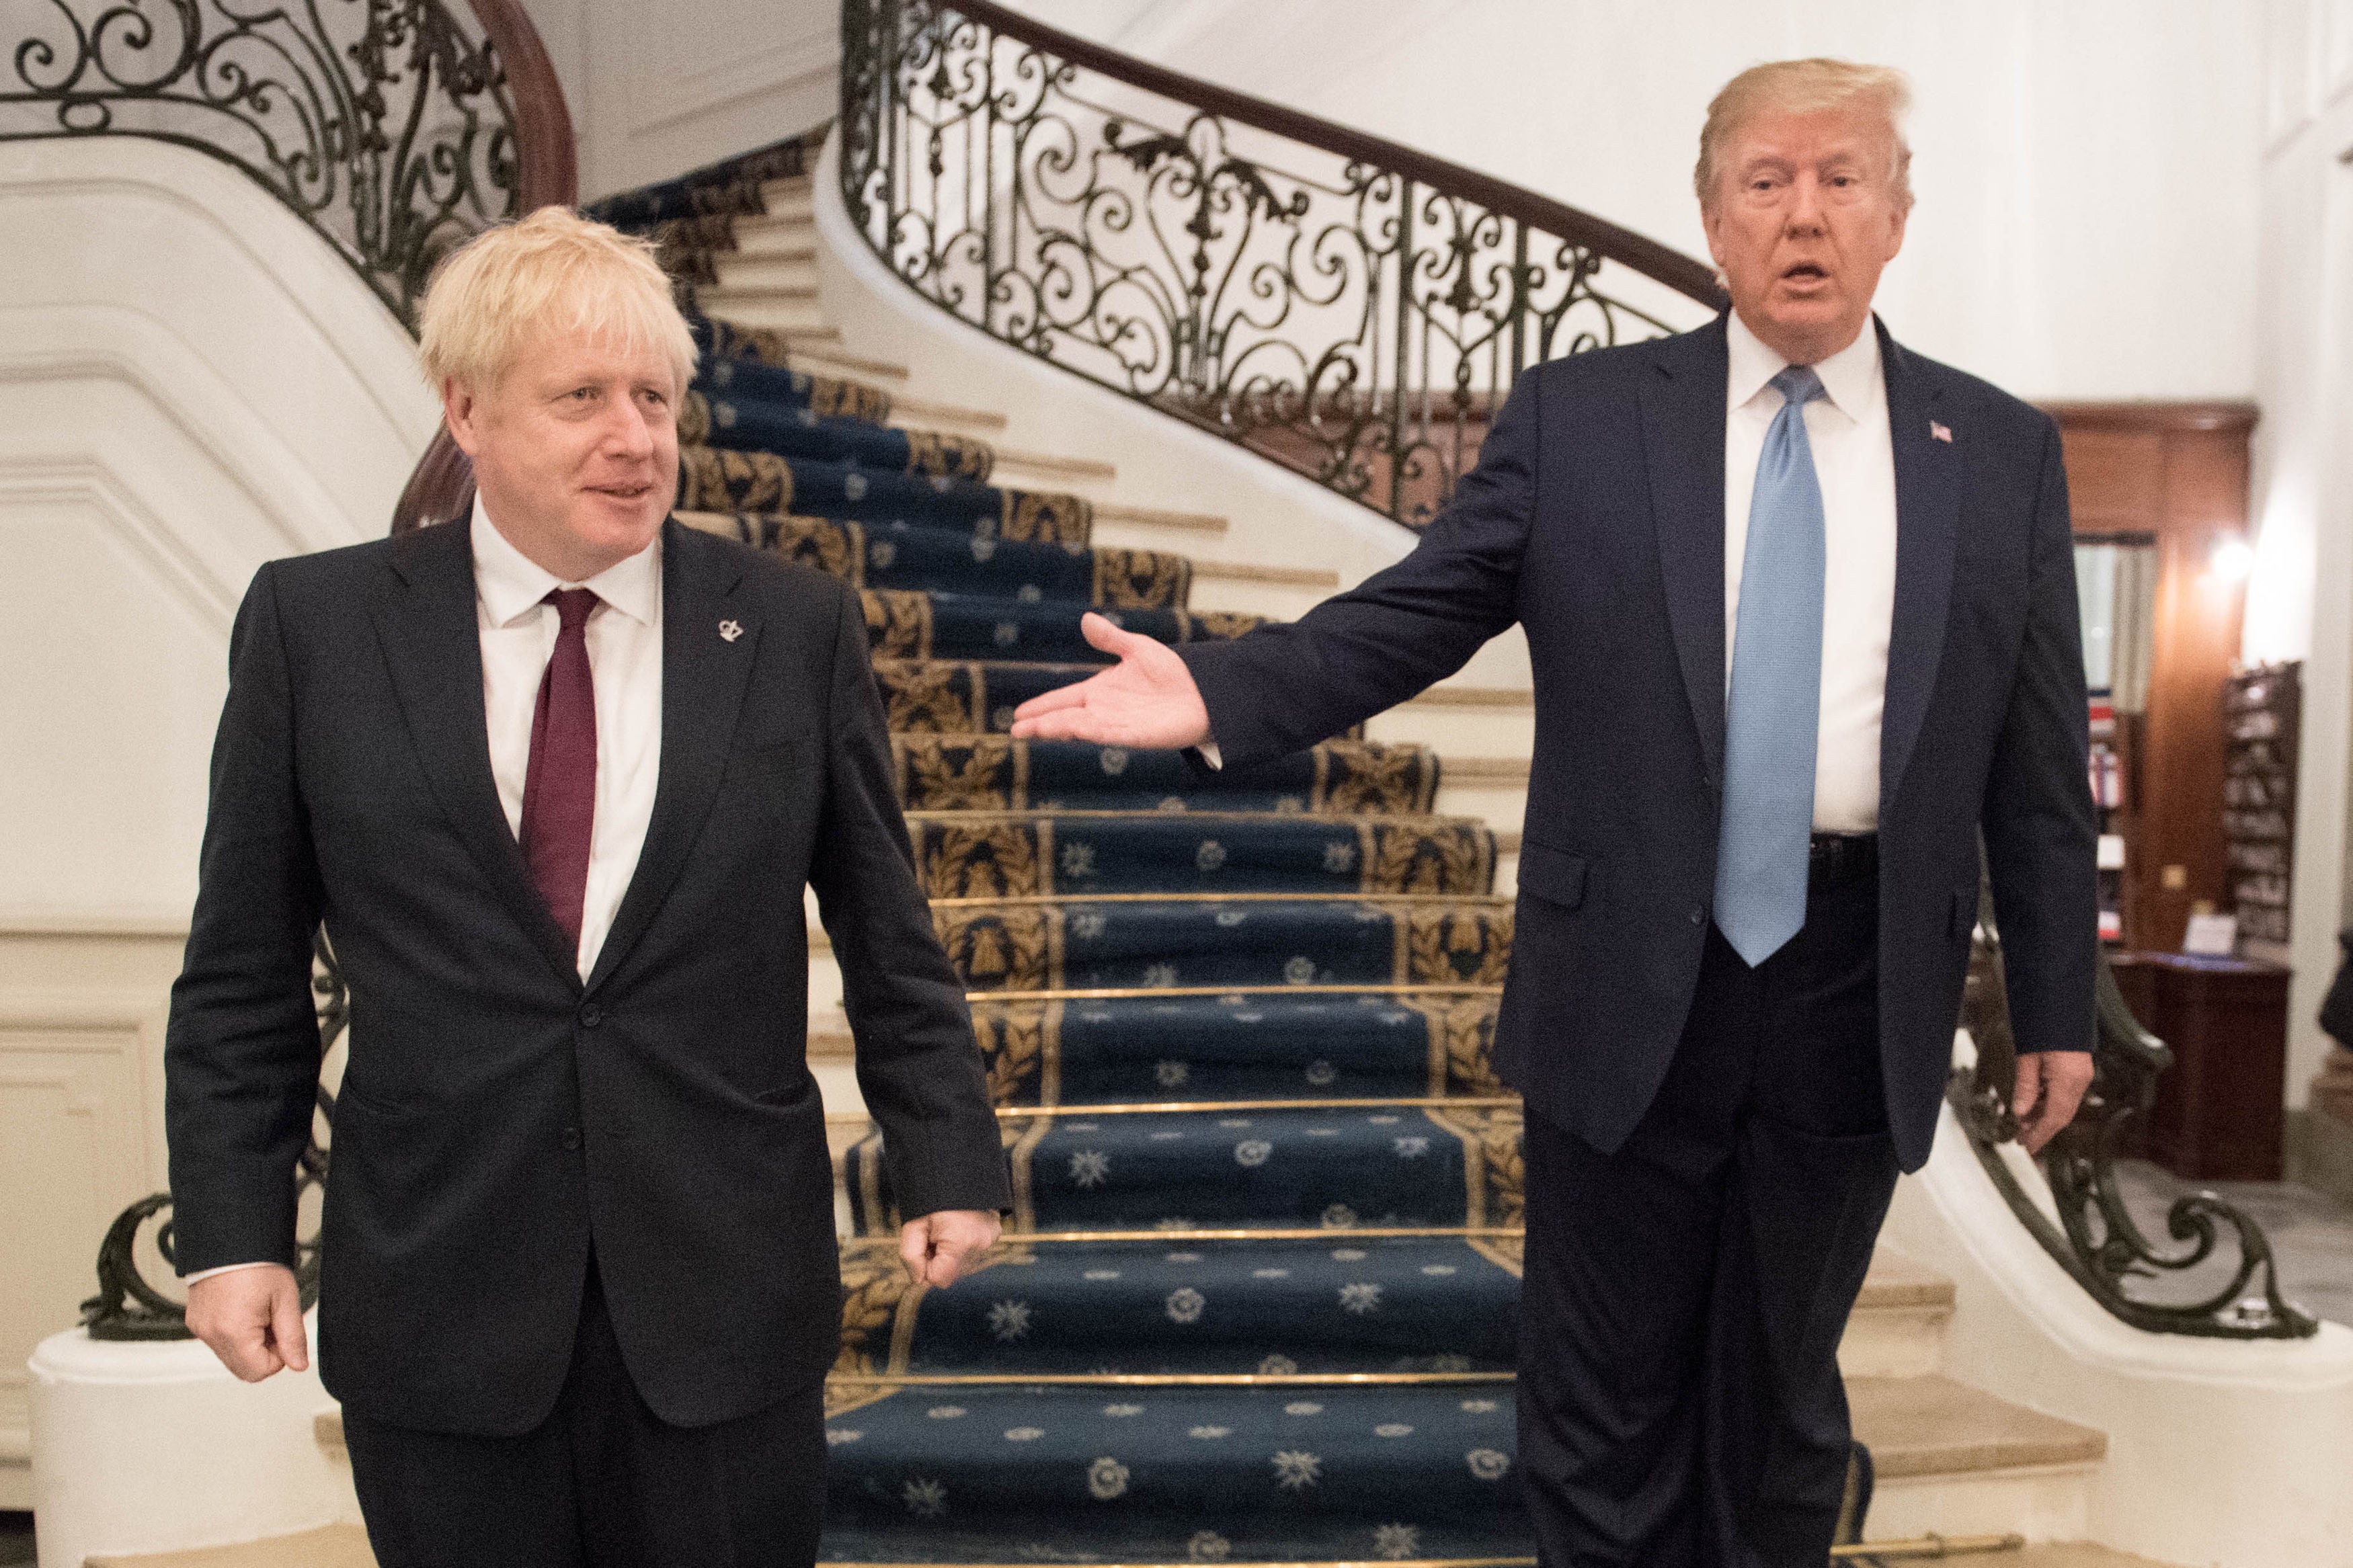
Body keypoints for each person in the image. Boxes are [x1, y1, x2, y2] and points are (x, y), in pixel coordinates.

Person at [1012, 58, 2096, 1567]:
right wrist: (1225, 693)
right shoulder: (1587, 421)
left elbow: (2040, 771)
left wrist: (2057, 1002)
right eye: (1765, 183)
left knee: (1781, 1397)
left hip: (1861, 981)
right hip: (1631, 974)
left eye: (1841, 180)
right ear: (1712, 223)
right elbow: (1420, 611)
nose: (1804, 215)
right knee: (1600, 1401)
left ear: (1897, 217)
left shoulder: (1997, 453)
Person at [164, 207, 1011, 1568]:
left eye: (654, 398)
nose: (634, 437)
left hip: (722, 1290)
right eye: (581, 398)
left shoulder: (787, 627)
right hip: (440, 1289)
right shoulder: (312, 628)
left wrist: (945, 1156)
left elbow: (887, 930)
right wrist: (231, 1233)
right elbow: (241, 973)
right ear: (467, 410)